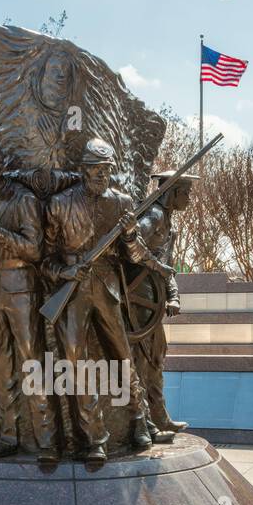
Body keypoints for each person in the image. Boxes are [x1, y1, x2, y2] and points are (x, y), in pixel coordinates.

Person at [43, 138, 162, 462]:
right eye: (96, 169)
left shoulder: (122, 203)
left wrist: (129, 235)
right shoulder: (59, 204)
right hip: (72, 294)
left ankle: (141, 423)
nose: (101, 175)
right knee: (76, 365)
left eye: (107, 170)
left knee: (123, 357)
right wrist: (65, 273)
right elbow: (45, 260)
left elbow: (134, 255)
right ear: (83, 170)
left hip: (107, 288)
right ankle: (95, 438)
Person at [0, 141, 58, 461]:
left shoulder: (25, 201)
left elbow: (34, 250)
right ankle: (8, 437)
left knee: (32, 362)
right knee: (1, 365)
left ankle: (46, 439)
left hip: (20, 288)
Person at [133, 169, 196, 434]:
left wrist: (173, 296)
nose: (189, 200)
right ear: (172, 193)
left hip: (154, 300)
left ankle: (158, 417)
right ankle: (143, 422)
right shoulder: (154, 216)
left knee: (156, 359)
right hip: (139, 303)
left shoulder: (168, 222)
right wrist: (156, 268)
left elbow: (167, 268)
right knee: (143, 362)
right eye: (186, 193)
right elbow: (131, 248)